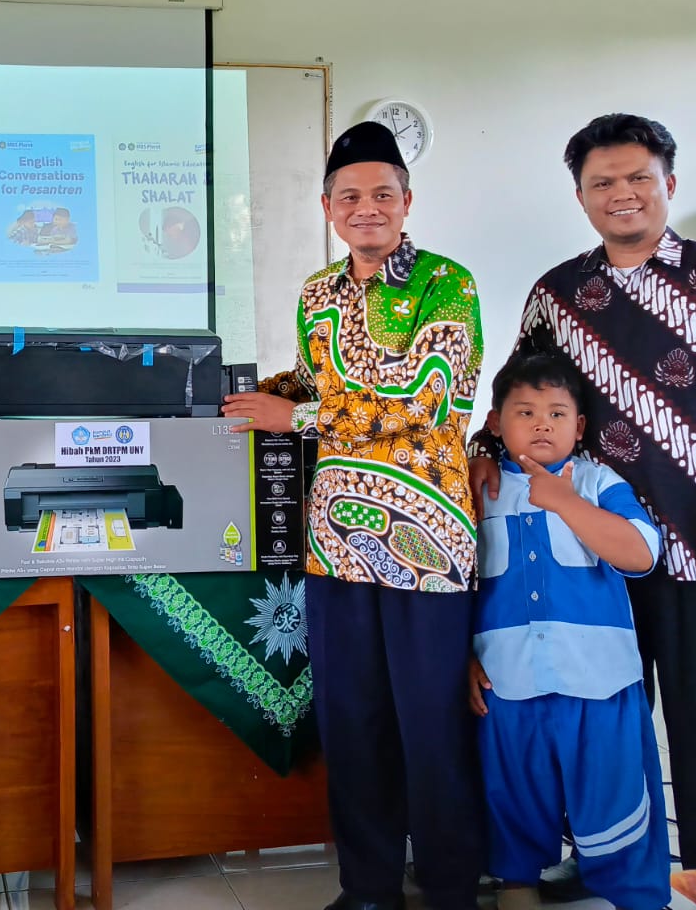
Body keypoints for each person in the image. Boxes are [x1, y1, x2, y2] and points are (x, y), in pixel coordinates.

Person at [469, 114, 696, 878]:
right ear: (581, 197)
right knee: (601, 725)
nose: (623, 194)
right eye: (602, 183)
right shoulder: (558, 293)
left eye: (638, 178)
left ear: (668, 185)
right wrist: (487, 450)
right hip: (587, 558)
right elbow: (521, 395)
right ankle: (608, 864)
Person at [223, 121, 485, 910]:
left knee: (432, 724)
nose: (366, 209)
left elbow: (430, 404)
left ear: (407, 201)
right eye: (349, 197)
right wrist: (233, 395)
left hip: (429, 542)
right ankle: (368, 886)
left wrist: (293, 418)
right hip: (336, 541)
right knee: (352, 721)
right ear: (329, 208)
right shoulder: (315, 293)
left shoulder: (449, 283)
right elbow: (310, 382)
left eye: (381, 194)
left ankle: (447, 888)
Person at [468, 349, 670, 910]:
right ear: (495, 422)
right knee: (512, 799)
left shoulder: (599, 481)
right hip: (507, 687)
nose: (541, 424)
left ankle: (636, 897)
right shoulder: (474, 490)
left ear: (579, 427)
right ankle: (518, 888)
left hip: (599, 685)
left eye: (557, 414)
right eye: (524, 412)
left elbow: (639, 554)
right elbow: (452, 582)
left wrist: (564, 501)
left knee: (616, 795)